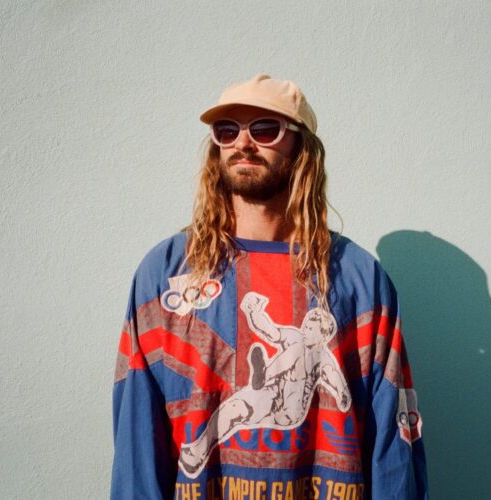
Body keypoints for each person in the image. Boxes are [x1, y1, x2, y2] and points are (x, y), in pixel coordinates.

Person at [110, 74, 428, 499]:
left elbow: (391, 435)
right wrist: (254, 312)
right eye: (227, 131)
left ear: (302, 149)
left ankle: (259, 379)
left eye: (264, 129)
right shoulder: (165, 272)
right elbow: (136, 430)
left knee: (262, 395)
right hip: (249, 422)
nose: (243, 142)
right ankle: (207, 441)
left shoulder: (358, 278)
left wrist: (338, 396)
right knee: (237, 407)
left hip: (291, 415)